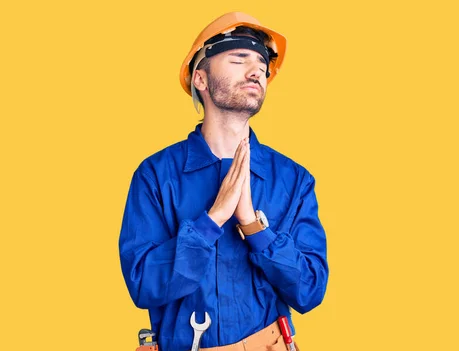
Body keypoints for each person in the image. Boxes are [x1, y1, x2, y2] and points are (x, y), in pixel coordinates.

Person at [118, 12, 329, 351]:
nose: (256, 71)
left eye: (261, 65)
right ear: (200, 79)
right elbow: (143, 285)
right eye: (238, 59)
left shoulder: (293, 180)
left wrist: (252, 226)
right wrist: (212, 220)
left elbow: (309, 291)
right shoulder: (156, 176)